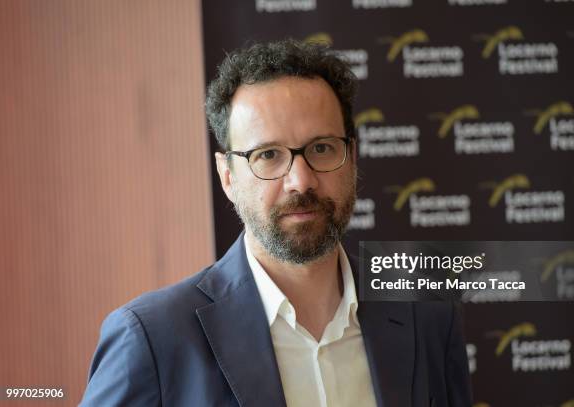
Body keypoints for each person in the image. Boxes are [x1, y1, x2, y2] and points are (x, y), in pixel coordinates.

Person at [80, 39, 472, 407]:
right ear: (228, 176)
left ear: (352, 157)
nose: (300, 180)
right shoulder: (152, 338)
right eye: (268, 154)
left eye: (321, 148)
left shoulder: (427, 312)